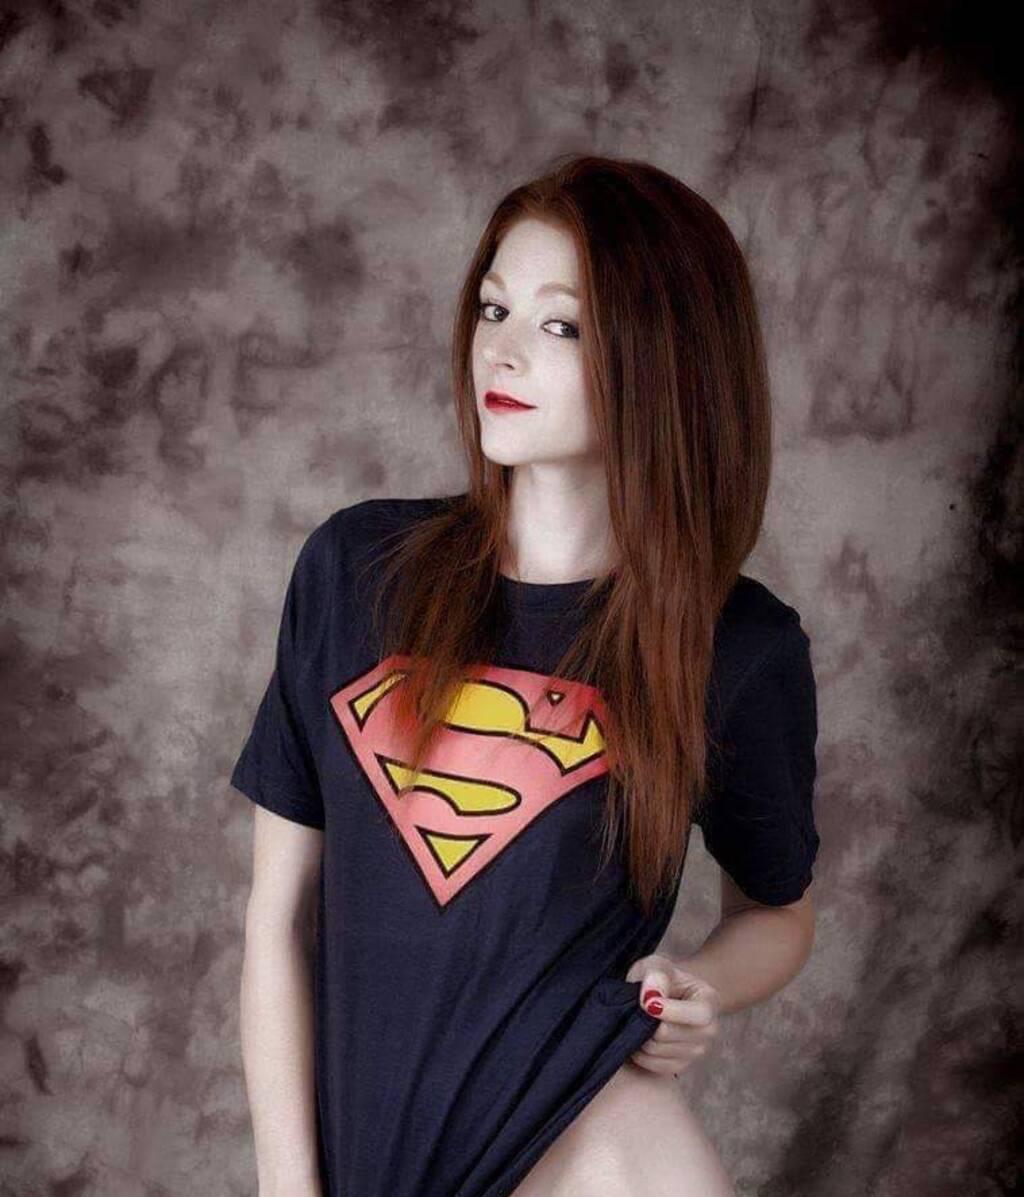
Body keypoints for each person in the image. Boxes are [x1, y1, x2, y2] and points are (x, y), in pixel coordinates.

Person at [232, 154, 821, 1197]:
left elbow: (778, 911)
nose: (499, 349)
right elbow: (277, 922)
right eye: (494, 308)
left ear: (664, 358)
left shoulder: (738, 646)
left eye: (561, 326)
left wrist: (696, 984)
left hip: (595, 1148)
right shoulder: (354, 571)